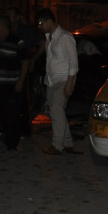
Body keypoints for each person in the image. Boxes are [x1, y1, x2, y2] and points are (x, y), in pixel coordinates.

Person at [0, 14, 29, 152]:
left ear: (3, 26)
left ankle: (12, 143)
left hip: (9, 86)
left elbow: (25, 63)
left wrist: (20, 82)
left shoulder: (17, 41)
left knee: (11, 116)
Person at [37, 8, 80, 154]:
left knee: (56, 110)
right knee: (57, 112)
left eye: (41, 23)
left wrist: (69, 84)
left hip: (64, 80)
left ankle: (57, 145)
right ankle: (67, 142)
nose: (40, 26)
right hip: (51, 81)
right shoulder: (49, 38)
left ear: (49, 21)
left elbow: (73, 62)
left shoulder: (65, 37)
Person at [7, 5, 44, 137]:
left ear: (17, 17)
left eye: (11, 15)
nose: (8, 18)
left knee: (23, 102)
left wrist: (33, 60)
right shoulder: (6, 31)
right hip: (7, 72)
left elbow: (42, 43)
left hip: (21, 70)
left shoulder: (25, 31)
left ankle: (25, 130)